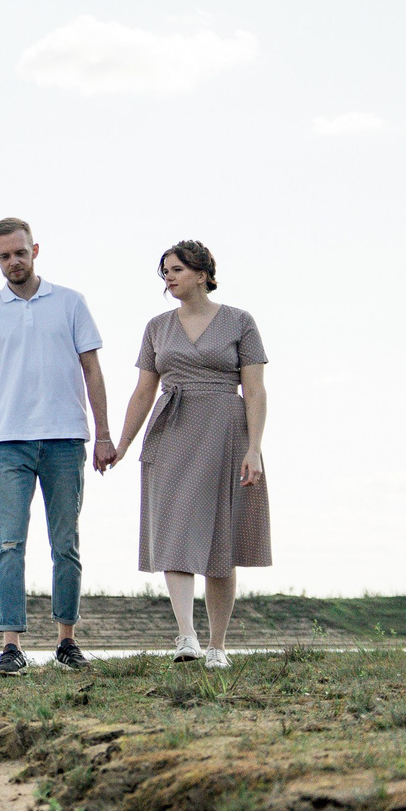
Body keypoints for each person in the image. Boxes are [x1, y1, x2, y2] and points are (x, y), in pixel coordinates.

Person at [110, 240, 271, 669]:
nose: (169, 277)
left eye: (177, 269)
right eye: (165, 271)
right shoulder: (157, 327)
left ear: (202, 273)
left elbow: (254, 389)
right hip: (173, 429)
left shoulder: (240, 321)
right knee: (175, 530)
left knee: (221, 538)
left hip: (225, 430)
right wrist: (122, 444)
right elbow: (144, 391)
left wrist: (255, 448)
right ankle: (186, 636)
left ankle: (218, 646)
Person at [0, 217, 116, 676]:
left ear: (35, 250)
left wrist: (104, 434)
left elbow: (92, 370)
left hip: (66, 438)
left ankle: (66, 642)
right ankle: (11, 645)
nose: (14, 261)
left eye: (21, 252)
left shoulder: (70, 303)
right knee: (8, 544)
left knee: (65, 543)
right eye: (5, 256)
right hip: (8, 441)